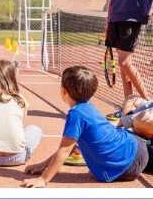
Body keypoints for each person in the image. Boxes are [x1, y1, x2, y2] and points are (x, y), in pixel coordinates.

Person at [23, 65, 152, 187]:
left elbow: (65, 150)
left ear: (63, 91)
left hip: (127, 166)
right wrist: (43, 165)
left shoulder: (76, 114)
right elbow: (72, 146)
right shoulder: (88, 107)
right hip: (134, 149)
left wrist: (44, 179)